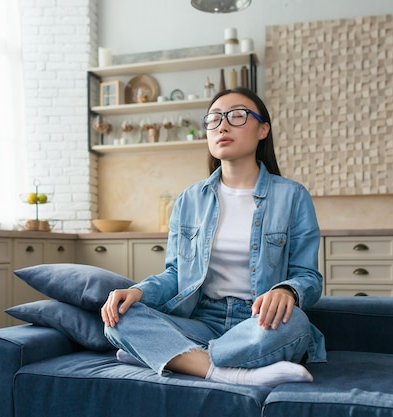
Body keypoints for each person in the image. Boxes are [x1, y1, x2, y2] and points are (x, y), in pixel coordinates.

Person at [101, 87, 326, 387]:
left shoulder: (293, 196)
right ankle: (224, 371)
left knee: (297, 325)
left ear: (263, 130)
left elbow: (308, 277)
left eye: (237, 116)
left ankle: (172, 356)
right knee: (122, 317)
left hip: (258, 322)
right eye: (214, 118)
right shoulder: (189, 199)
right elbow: (176, 275)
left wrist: (286, 292)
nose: (222, 125)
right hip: (202, 320)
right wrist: (138, 292)